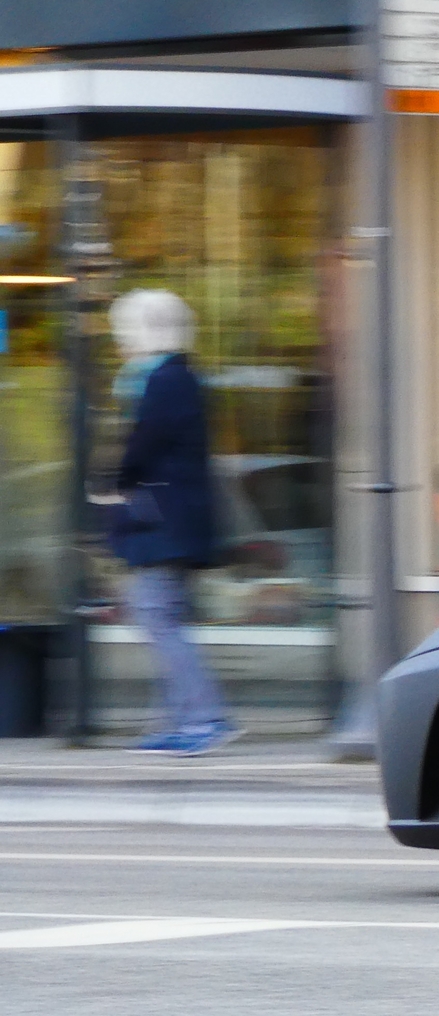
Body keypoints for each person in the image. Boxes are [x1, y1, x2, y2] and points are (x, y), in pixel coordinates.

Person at [104, 289, 235, 756]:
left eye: (125, 329)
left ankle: (204, 719)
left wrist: (115, 479)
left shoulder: (164, 380)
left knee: (158, 618)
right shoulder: (178, 377)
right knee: (164, 618)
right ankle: (182, 721)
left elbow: (143, 444)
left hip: (162, 525)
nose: (121, 340)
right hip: (171, 523)